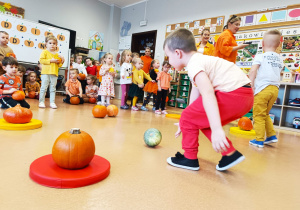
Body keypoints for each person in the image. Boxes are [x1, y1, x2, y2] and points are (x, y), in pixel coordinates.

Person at [164, 28, 253, 171]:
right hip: (245, 97)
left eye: (168, 56)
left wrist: (217, 129)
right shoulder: (200, 60)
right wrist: (187, 121)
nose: (168, 61)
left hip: (232, 94)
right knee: (198, 119)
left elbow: (207, 93)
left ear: (178, 53)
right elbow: (196, 94)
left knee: (189, 117)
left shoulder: (194, 64)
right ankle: (229, 153)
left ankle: (189, 158)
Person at [249, 30, 282, 148]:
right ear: (278, 45)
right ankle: (271, 135)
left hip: (262, 89)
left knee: (258, 115)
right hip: (275, 90)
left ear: (262, 44)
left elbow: (253, 70)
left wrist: (251, 84)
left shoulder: (261, 56)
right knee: (266, 113)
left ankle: (259, 139)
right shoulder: (280, 58)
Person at [39, 35, 64, 109]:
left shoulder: (57, 54)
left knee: (53, 89)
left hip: (54, 73)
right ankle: (41, 102)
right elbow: (42, 60)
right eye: (50, 43)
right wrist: (51, 60)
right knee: (44, 88)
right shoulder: (44, 52)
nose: (52, 45)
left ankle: (52, 102)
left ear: (56, 45)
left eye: (54, 43)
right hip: (45, 73)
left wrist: (62, 60)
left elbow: (59, 65)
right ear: (46, 44)